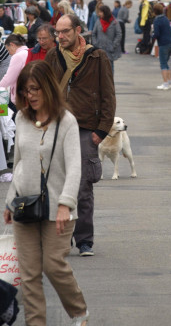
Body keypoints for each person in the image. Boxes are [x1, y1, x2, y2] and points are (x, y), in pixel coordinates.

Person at [4, 61, 89, 326]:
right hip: (24, 205)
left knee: (54, 265)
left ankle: (79, 312)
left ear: (48, 87)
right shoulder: (21, 118)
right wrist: (9, 201)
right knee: (29, 274)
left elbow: (75, 167)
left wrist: (66, 203)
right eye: (25, 90)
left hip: (57, 208)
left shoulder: (66, 121)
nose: (30, 95)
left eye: (35, 89)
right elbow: (18, 163)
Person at [45, 14, 115, 257]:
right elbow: (44, 90)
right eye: (57, 32)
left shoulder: (97, 57)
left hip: (85, 127)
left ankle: (85, 240)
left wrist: (101, 130)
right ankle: (60, 239)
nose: (60, 36)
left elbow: (108, 94)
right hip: (56, 126)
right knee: (54, 184)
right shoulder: (53, 56)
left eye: (65, 31)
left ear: (77, 31)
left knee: (83, 186)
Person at [0, 34, 29, 110]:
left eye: (8, 50)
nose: (9, 53)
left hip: (20, 96)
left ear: (12, 45)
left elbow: (9, 78)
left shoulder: (17, 56)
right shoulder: (27, 52)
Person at [91, 4, 122, 73]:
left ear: (105, 12)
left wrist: (113, 45)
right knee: (99, 69)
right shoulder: (98, 21)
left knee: (109, 68)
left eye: (101, 12)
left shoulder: (114, 22)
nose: (99, 14)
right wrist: (95, 44)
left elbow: (119, 34)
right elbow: (94, 34)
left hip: (109, 49)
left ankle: (110, 80)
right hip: (99, 49)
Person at [152, 3, 171, 90]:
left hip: (163, 43)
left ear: (154, 11)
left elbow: (157, 34)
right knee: (166, 63)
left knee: (163, 63)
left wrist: (152, 36)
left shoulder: (157, 20)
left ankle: (165, 83)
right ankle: (170, 81)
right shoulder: (165, 18)